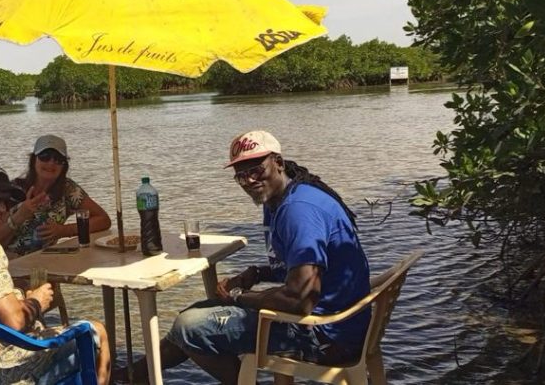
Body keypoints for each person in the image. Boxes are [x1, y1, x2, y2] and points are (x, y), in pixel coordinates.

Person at [114, 130, 370, 384]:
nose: (249, 181)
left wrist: (239, 297)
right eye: (241, 175)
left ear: (278, 163)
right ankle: (131, 377)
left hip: (324, 335)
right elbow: (298, 267)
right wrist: (256, 273)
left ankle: (132, 377)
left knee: (189, 325)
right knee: (196, 317)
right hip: (337, 323)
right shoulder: (283, 199)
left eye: (256, 170)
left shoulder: (298, 211)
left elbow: (301, 299)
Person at [0, 164, 111, 385]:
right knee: (97, 332)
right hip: (6, 367)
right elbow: (15, 321)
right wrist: (37, 301)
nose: (2, 209)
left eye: (7, 203)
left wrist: (21, 294)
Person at [6, 135, 111, 255]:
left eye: (58, 159)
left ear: (64, 165)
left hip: (45, 258)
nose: (51, 163)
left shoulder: (67, 189)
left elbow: (104, 220)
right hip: (10, 261)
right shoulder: (12, 191)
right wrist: (19, 215)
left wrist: (64, 230)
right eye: (44, 157)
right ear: (33, 160)